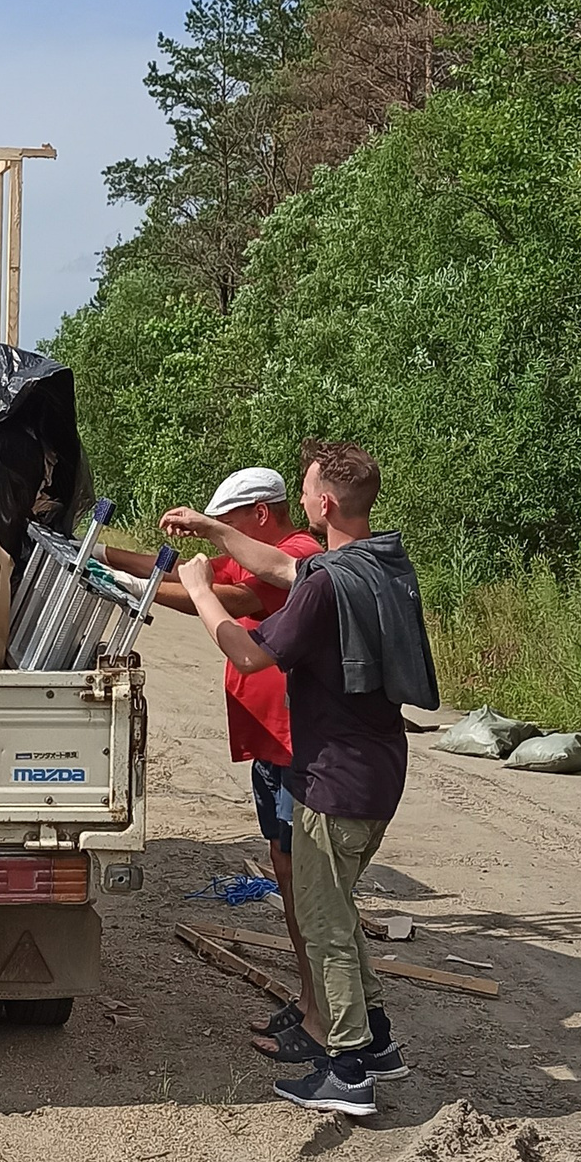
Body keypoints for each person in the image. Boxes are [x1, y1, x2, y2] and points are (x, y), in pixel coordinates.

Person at [163, 441, 440, 1125]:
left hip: (333, 781)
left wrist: (200, 591)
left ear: (323, 503)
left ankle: (346, 1070)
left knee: (323, 926)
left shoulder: (325, 586)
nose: (304, 494)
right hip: (379, 770)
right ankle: (377, 1041)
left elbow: (249, 654)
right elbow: (284, 565)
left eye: (309, 486)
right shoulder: (381, 562)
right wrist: (213, 529)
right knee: (338, 911)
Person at [103, 467, 325, 1023]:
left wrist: (138, 587)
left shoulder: (296, 554)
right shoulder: (252, 553)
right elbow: (180, 570)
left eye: (228, 523)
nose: (222, 537)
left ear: (260, 514)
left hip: (295, 742)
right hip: (272, 742)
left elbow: (226, 595)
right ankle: (312, 998)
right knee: (286, 869)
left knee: (303, 878)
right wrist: (106, 555)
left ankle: (321, 1004)